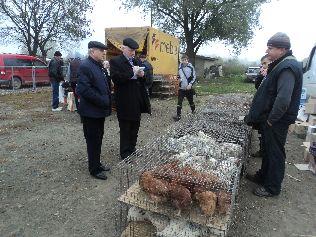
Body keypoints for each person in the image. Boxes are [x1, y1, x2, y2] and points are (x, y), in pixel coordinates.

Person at [244, 32, 303, 197]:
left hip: (276, 121)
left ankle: (272, 187)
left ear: (282, 49)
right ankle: (263, 176)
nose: (267, 51)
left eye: (270, 48)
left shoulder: (287, 67)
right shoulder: (281, 63)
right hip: (271, 119)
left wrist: (271, 120)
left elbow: (283, 99)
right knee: (268, 151)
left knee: (275, 152)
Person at [110, 37, 151, 160]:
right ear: (123, 48)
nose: (133, 53)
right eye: (131, 50)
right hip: (125, 100)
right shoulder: (115, 61)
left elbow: (145, 81)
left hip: (137, 100)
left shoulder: (137, 61)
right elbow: (116, 78)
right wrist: (132, 74)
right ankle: (124, 153)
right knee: (125, 128)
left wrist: (143, 75)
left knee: (135, 127)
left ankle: (132, 148)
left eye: (134, 51)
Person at [76, 41, 111, 180]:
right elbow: (83, 89)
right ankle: (94, 169)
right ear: (92, 51)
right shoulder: (85, 66)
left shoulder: (98, 65)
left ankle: (97, 163)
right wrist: (102, 100)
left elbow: (103, 84)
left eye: (104, 50)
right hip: (91, 112)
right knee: (92, 140)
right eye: (101, 50)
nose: (104, 52)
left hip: (98, 112)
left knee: (98, 138)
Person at [252, 54, 271, 158]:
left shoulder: (272, 74)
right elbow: (257, 87)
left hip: (267, 110)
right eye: (262, 64)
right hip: (262, 108)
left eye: (265, 63)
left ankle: (264, 152)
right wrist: (260, 76)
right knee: (261, 132)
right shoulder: (263, 74)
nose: (263, 66)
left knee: (266, 134)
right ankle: (262, 150)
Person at [173, 54, 196, 121]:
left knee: (191, 101)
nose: (184, 61)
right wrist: (178, 79)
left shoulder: (191, 67)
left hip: (188, 88)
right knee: (179, 102)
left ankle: (193, 111)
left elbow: (194, 77)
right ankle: (178, 116)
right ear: (181, 61)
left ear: (187, 60)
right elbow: (178, 76)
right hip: (181, 88)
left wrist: (190, 84)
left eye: (185, 60)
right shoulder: (179, 67)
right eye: (182, 60)